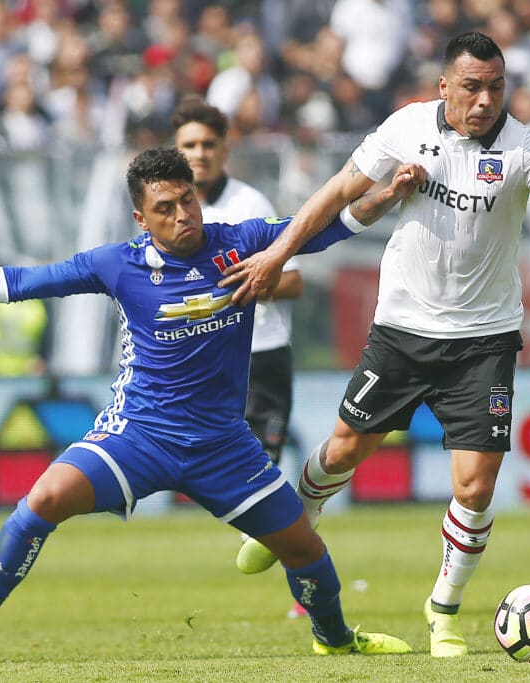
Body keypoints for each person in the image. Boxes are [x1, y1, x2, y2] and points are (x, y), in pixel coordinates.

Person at [0, 147, 423, 663]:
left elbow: (327, 227)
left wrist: (389, 195)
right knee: (44, 497)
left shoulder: (240, 241)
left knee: (304, 545)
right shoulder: (117, 264)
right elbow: (20, 281)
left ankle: (336, 639)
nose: (183, 216)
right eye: (166, 208)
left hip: (221, 443)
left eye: (187, 200)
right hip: (138, 435)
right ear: (141, 218)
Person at [221, 32, 530, 658]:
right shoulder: (404, 127)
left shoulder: (526, 146)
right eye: (473, 87)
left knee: (475, 486)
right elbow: (336, 194)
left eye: (496, 87)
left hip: (484, 340)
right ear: (444, 88)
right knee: (345, 449)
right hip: (403, 330)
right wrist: (275, 254)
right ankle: (299, 516)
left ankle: (444, 612)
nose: (486, 100)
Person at [171, 96, 307, 618]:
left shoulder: (249, 204)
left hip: (260, 358)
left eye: (208, 144)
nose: (200, 154)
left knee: (266, 482)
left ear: (225, 148)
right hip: (198, 366)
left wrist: (240, 286)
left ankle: (306, 589)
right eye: (189, 145)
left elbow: (291, 281)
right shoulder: (165, 210)